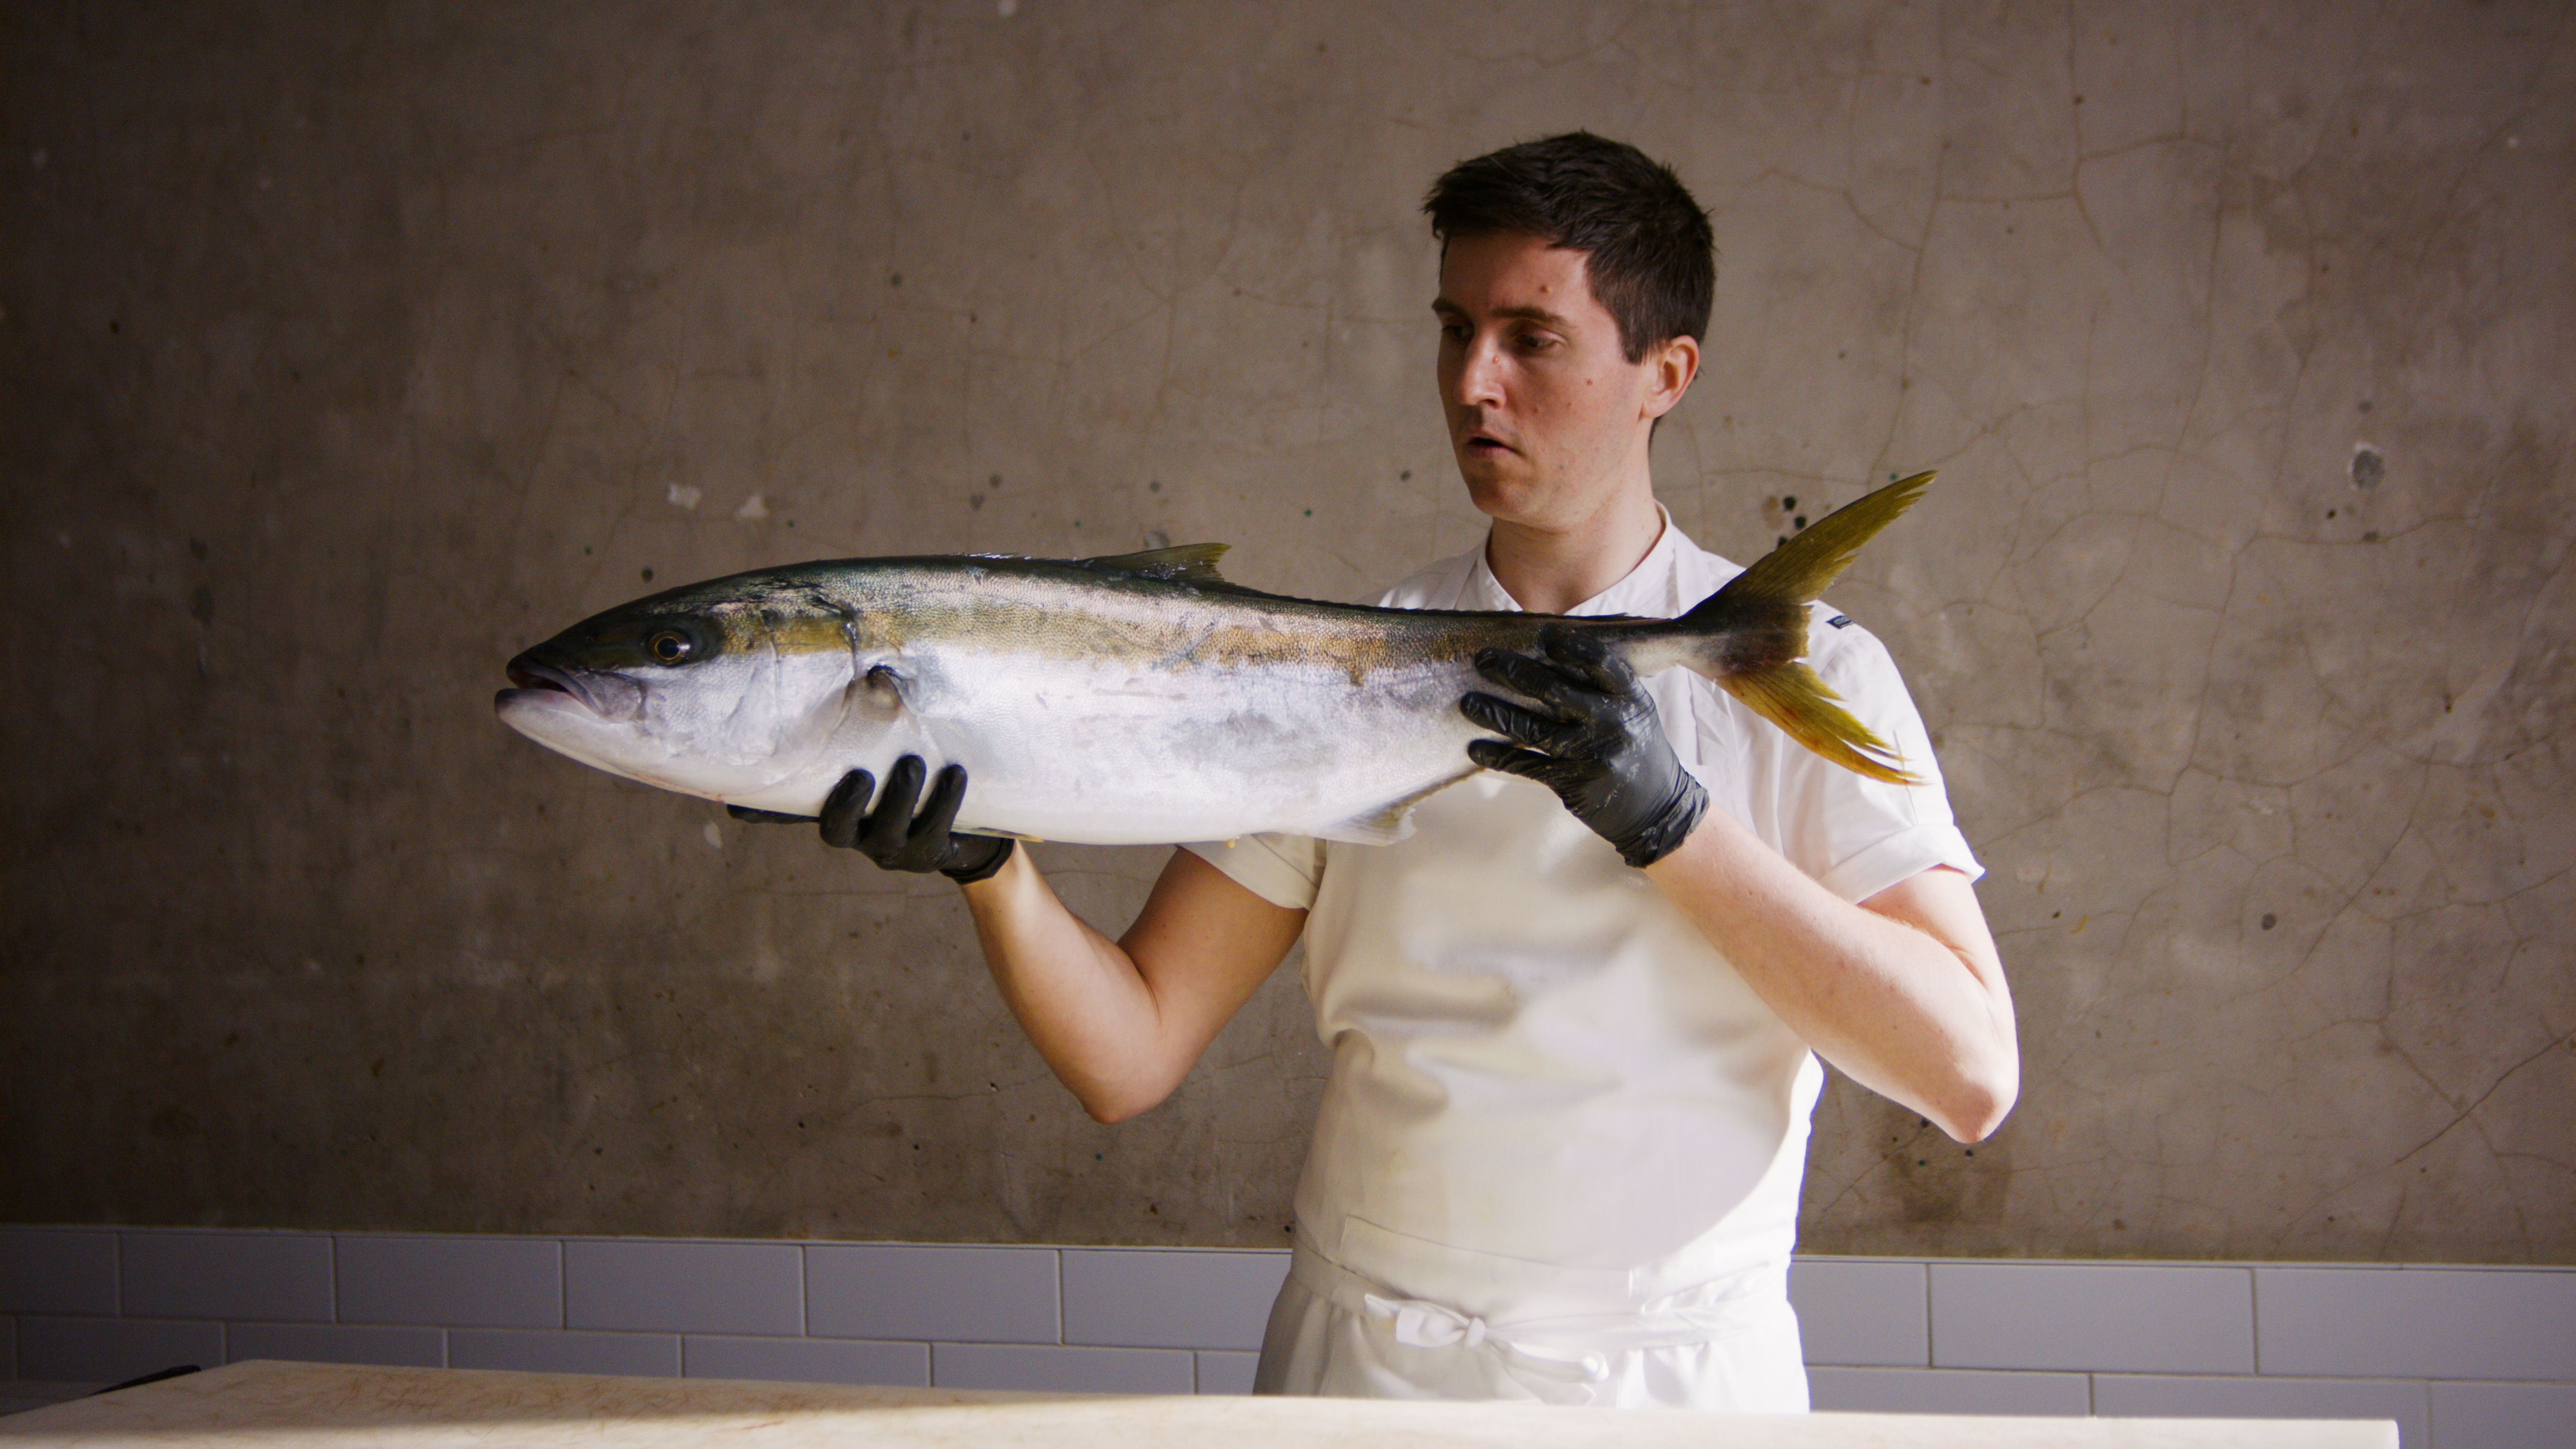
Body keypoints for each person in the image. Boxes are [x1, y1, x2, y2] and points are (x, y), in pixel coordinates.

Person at [747, 132, 2017, 1412]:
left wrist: (1671, 823)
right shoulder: (1328, 671)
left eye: (1532, 338)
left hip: (1678, 1388)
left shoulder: (1808, 669)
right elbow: (1130, 1055)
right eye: (1454, 329)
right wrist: (992, 866)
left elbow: (1968, 1075)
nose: (1473, 382)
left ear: (1665, 374)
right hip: (1366, 1373)